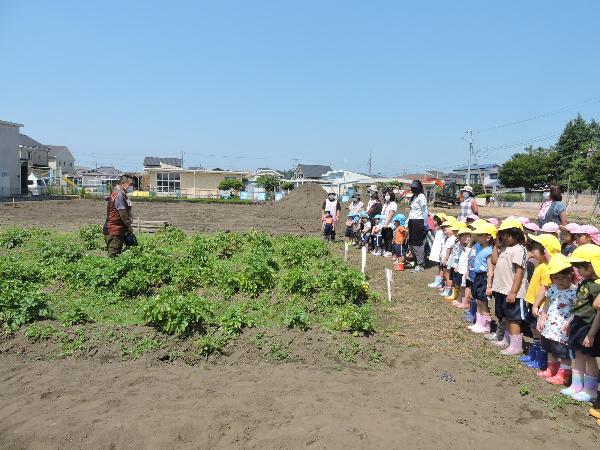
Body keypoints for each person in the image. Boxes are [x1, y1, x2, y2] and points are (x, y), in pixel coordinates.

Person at [561, 244, 600, 402]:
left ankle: (590, 390)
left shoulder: (597, 286)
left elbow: (598, 312)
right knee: (577, 353)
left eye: (580, 267)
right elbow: (579, 304)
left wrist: (591, 334)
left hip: (589, 326)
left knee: (589, 357)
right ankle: (577, 385)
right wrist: (570, 320)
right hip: (578, 323)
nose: (577, 271)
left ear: (591, 266)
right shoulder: (584, 282)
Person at [536, 254, 576, 386]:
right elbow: (547, 304)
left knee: (563, 352)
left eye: (564, 278)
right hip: (550, 325)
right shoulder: (552, 289)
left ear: (571, 275)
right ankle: (551, 368)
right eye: (556, 278)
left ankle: (564, 374)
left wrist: (570, 321)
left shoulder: (574, 292)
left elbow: (576, 310)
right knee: (549, 347)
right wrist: (542, 318)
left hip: (563, 327)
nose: (560, 281)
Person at [522, 234, 561, 369]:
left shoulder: (546, 267)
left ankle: (541, 358)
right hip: (533, 303)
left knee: (539, 331)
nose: (532, 252)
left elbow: (544, 288)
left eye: (535, 249)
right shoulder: (540, 264)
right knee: (534, 330)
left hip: (539, 306)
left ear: (545, 251)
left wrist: (536, 305)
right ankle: (533, 354)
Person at [490, 218, 529, 356]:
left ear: (517, 234)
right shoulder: (505, 248)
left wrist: (513, 291)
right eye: (503, 235)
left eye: (508, 235)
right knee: (505, 316)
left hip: (513, 292)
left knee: (514, 318)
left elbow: (519, 271)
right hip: (501, 289)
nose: (505, 238)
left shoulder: (519, 249)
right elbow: (494, 260)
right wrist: (496, 244)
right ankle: (506, 340)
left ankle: (516, 345)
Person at [468, 222, 496, 333]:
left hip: (484, 277)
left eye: (480, 235)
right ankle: (479, 323)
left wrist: (489, 285)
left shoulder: (489, 251)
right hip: (477, 276)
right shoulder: (479, 247)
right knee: (478, 300)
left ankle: (486, 325)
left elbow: (490, 270)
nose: (477, 237)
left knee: (483, 301)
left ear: (488, 237)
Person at [103, 174, 135, 258]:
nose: (131, 187)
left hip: (116, 229)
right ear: (123, 183)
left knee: (116, 254)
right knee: (113, 256)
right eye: (130, 184)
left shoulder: (118, 193)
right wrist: (129, 227)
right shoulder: (119, 195)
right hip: (114, 230)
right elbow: (123, 214)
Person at [407, 180, 428, 272]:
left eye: (415, 188)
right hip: (412, 221)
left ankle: (420, 264)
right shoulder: (414, 197)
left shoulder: (421, 197)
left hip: (418, 222)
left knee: (418, 243)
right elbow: (412, 211)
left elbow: (425, 211)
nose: (413, 189)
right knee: (411, 243)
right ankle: (416, 261)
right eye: (412, 188)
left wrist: (424, 223)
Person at [427, 213, 448, 288]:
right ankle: (439, 281)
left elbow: (443, 243)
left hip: (441, 252)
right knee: (440, 267)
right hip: (438, 252)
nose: (434, 222)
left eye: (436, 220)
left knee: (442, 268)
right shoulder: (439, 231)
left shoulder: (443, 232)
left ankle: (439, 282)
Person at [381, 191, 398, 257]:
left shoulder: (393, 204)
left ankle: (389, 251)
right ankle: (385, 249)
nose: (386, 196)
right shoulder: (386, 204)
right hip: (383, 222)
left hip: (390, 224)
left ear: (391, 196)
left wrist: (386, 223)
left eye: (388, 195)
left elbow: (391, 214)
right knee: (384, 237)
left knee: (389, 238)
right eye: (385, 195)